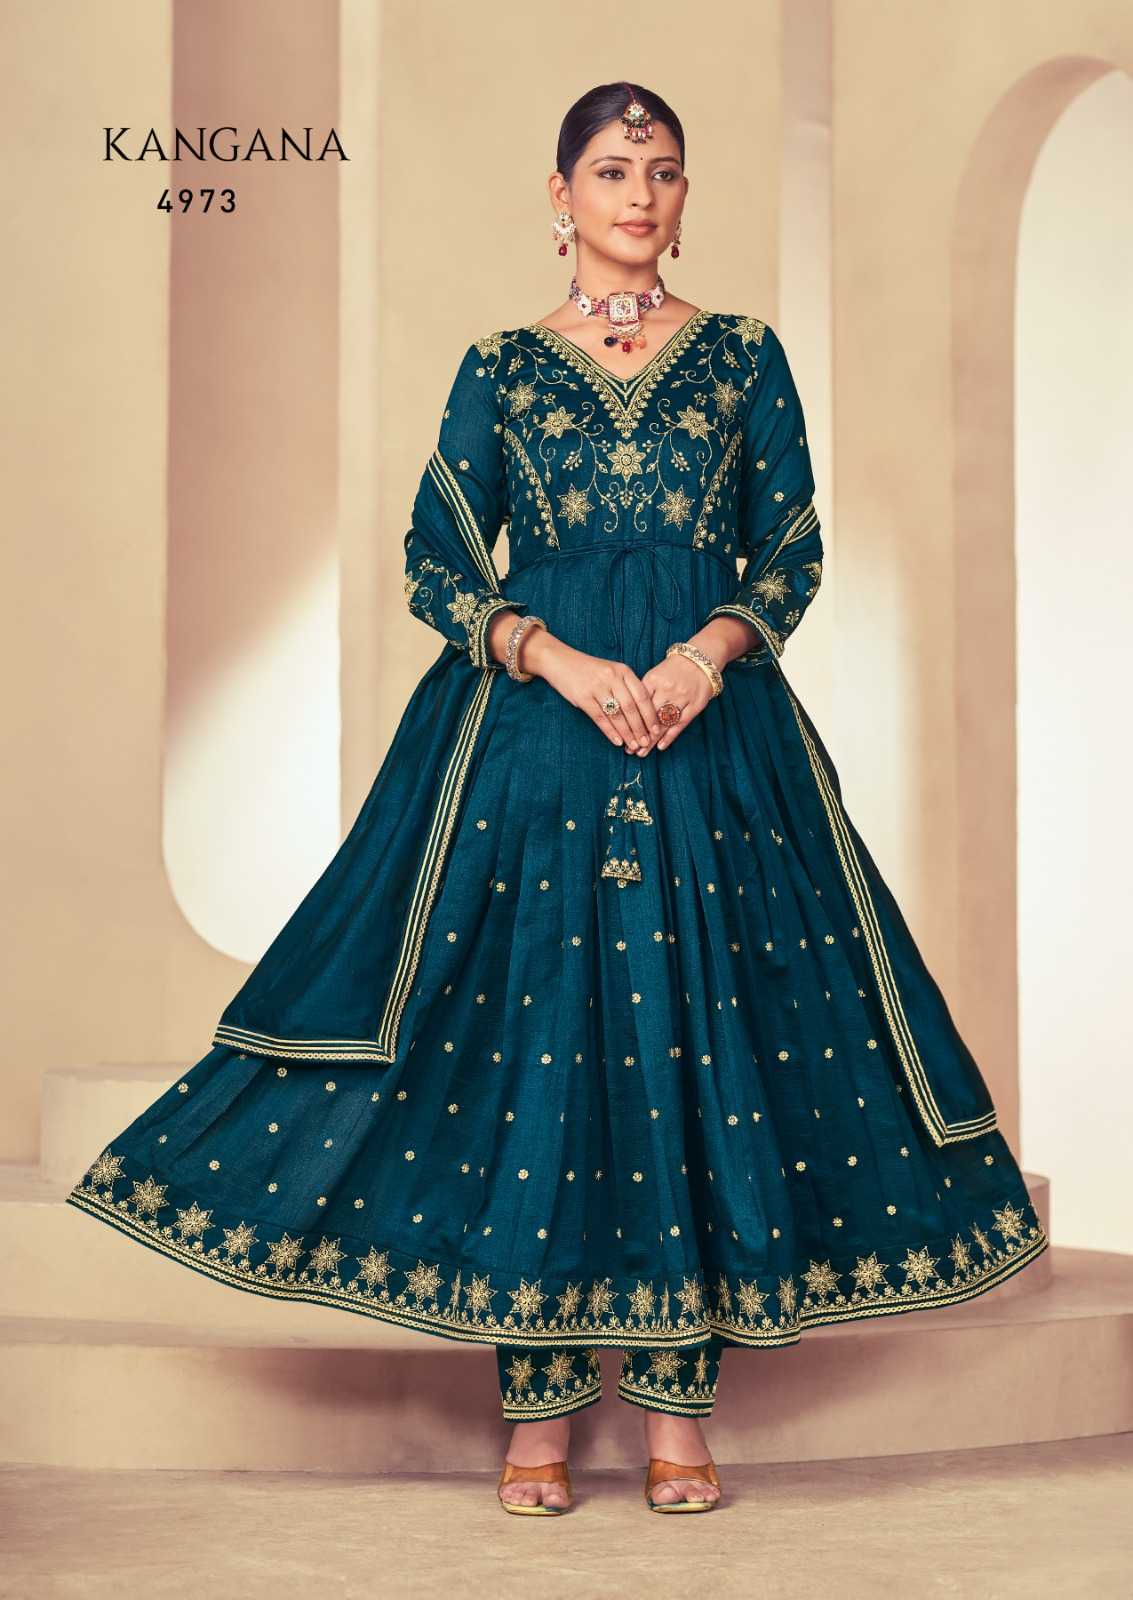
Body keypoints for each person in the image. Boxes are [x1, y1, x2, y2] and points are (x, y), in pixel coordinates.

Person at [66, 80, 1049, 1517]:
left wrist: (704, 660)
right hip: (535, 744)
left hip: (711, 742)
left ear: (683, 197)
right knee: (542, 1040)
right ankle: (534, 1412)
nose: (639, 195)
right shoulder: (502, 368)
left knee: (696, 1041)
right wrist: (557, 659)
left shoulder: (742, 356)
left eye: (664, 171)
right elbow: (435, 557)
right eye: (611, 171)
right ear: (560, 195)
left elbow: (789, 546)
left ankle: (676, 1411)